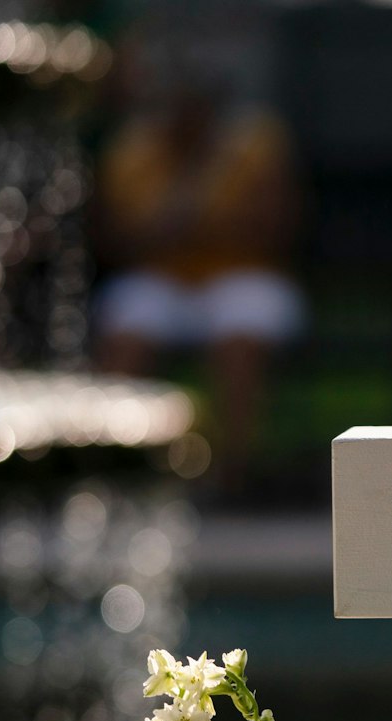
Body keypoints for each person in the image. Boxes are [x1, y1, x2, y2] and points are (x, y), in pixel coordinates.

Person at [94, 70, 302, 493]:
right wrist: (170, 231)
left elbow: (280, 229)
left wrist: (199, 228)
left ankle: (231, 474)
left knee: (239, 335)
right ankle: (119, 470)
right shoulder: (131, 151)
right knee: (126, 331)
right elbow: (111, 237)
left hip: (243, 275)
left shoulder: (257, 144)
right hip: (159, 278)